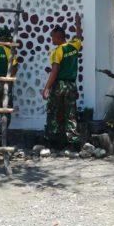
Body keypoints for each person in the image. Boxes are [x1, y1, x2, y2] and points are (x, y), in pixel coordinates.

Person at [42, 13, 82, 152]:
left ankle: (53, 141)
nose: (51, 39)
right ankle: (73, 142)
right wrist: (77, 23)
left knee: (54, 112)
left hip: (59, 85)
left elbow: (55, 71)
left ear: (59, 37)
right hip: (71, 85)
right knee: (70, 113)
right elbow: (79, 36)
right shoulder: (74, 46)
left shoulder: (57, 51)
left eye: (53, 36)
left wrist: (46, 88)